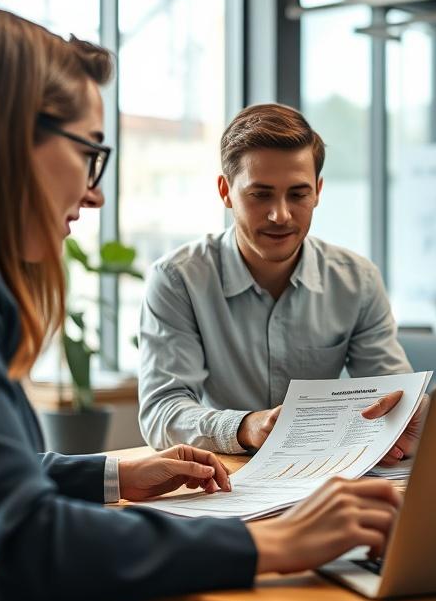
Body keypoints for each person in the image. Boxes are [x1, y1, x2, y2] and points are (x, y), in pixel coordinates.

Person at [0, 8, 402, 601]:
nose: (96, 193)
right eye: (89, 152)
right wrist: (273, 541)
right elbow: (17, 542)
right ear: (6, 136)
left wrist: (112, 475)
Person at [138, 103, 419, 462]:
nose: (281, 215)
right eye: (261, 194)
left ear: (317, 191)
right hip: (223, 475)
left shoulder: (357, 280)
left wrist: (401, 414)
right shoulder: (178, 280)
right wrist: (245, 426)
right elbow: (162, 410)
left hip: (324, 472)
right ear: (225, 191)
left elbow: (395, 392)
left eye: (298, 194)